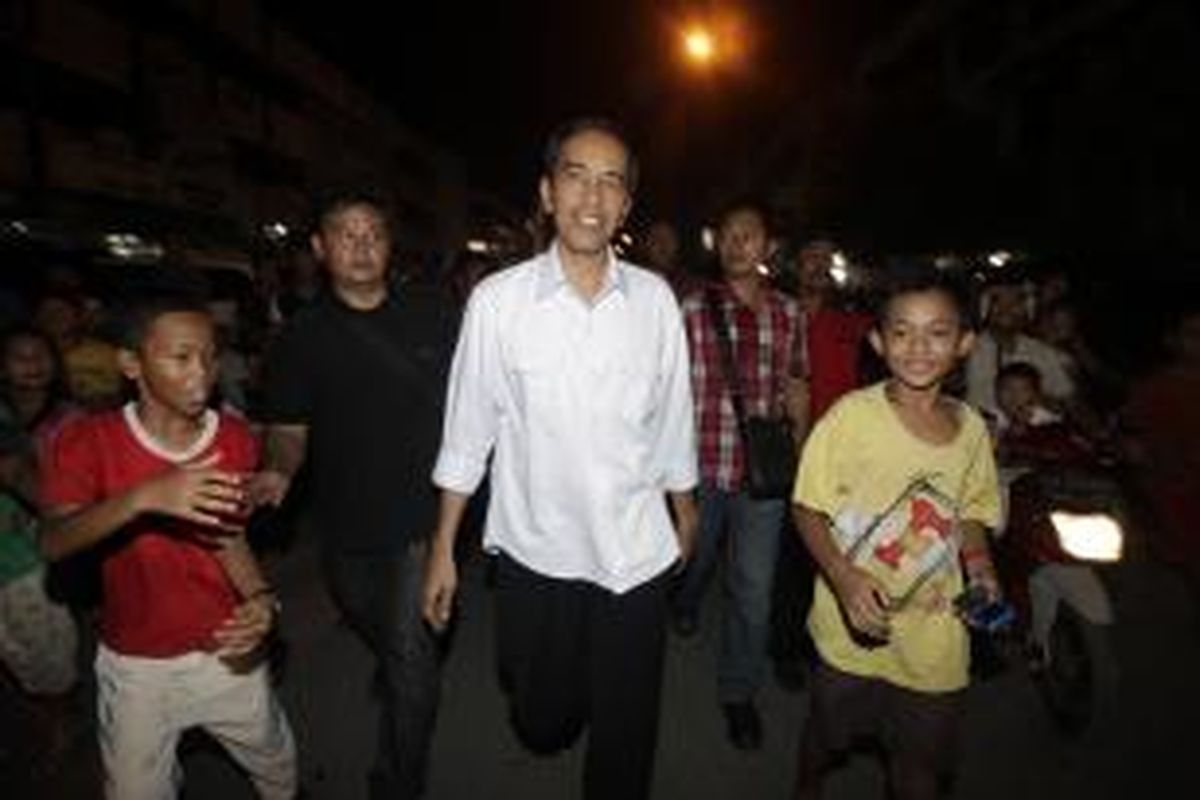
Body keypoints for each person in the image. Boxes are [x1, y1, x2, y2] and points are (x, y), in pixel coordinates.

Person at [422, 117, 698, 800]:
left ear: (627, 206)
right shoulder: (497, 303)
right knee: (542, 718)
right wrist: (442, 548)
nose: (592, 198)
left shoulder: (655, 302)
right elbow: (466, 433)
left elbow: (673, 416)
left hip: (634, 551)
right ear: (548, 193)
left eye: (611, 183)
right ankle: (555, 700)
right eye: (576, 176)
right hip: (535, 549)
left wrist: (684, 507)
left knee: (627, 732)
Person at [38, 295, 296, 800]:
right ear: (132, 363)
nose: (201, 371)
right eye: (180, 357)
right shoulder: (87, 441)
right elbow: (53, 542)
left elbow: (225, 534)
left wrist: (260, 597)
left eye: (210, 355)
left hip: (226, 653)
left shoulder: (236, 438)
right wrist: (142, 498)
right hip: (137, 666)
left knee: (276, 766)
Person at [257, 191, 455, 800]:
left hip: (422, 524)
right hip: (343, 526)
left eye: (374, 232)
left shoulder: (435, 311)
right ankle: (393, 657)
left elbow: (482, 395)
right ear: (319, 249)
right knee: (370, 620)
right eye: (346, 233)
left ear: (390, 245)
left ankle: (398, 783)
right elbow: (289, 431)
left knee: (412, 665)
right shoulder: (300, 338)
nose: (362, 244)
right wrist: (279, 472)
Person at [791, 266, 1002, 800]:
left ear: (965, 343)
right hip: (850, 631)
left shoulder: (973, 429)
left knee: (920, 766)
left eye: (938, 332)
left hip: (935, 638)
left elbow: (972, 509)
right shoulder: (850, 418)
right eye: (902, 332)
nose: (919, 347)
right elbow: (806, 508)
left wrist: (978, 565)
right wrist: (842, 575)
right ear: (879, 342)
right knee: (825, 736)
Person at [673, 200, 808, 750]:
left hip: (762, 476)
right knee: (695, 559)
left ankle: (738, 693)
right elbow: (669, 387)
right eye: (728, 234)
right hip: (701, 464)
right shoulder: (690, 307)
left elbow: (797, 385)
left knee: (753, 589)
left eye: (748, 235)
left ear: (768, 246)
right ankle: (683, 601)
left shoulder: (790, 313)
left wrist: (796, 452)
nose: (737, 243)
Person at [965, 280, 1074, 413]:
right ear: (985, 307)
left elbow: (1068, 400)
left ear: (1028, 308)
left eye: (1017, 301)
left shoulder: (1041, 351)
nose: (1006, 307)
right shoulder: (965, 347)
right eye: (997, 300)